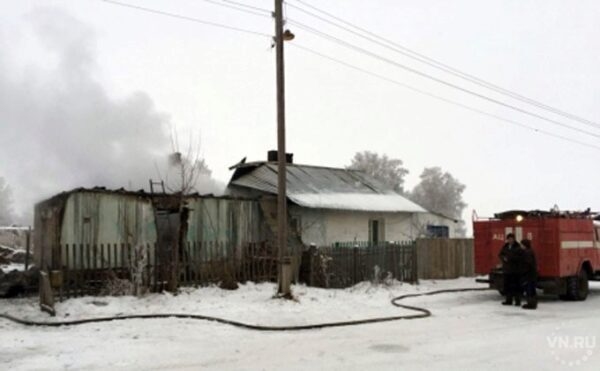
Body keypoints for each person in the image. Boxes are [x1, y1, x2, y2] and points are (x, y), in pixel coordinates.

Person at [499, 233, 524, 306]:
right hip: (507, 270)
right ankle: (508, 300)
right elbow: (500, 254)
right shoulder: (505, 246)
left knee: (516, 286)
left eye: (511, 239)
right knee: (507, 286)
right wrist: (503, 258)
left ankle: (517, 301)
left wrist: (510, 258)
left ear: (514, 239)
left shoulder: (518, 247)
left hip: (516, 270)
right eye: (509, 239)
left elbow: (520, 257)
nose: (510, 240)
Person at [520, 239, 538, 310]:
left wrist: (523, 271)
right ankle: (532, 303)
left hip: (529, 275)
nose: (521, 246)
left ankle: (531, 304)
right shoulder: (530, 251)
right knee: (531, 289)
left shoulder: (527, 253)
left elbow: (527, 264)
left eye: (521, 244)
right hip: (531, 274)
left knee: (529, 289)